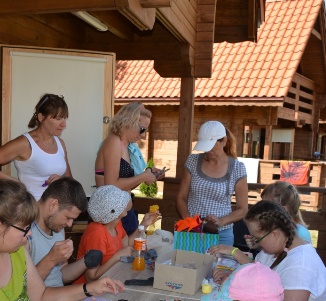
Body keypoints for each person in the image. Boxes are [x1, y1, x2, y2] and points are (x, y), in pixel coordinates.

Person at [0, 93, 72, 200]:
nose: (64, 124)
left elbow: (70, 180)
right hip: (33, 206)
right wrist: (16, 184)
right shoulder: (25, 144)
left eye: (64, 118)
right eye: (58, 119)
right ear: (41, 117)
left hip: (58, 205)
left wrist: (60, 181)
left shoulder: (60, 143)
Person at [94, 102, 164, 234]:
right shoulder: (113, 141)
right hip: (111, 217)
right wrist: (143, 176)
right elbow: (112, 186)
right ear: (128, 122)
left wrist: (146, 175)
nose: (143, 135)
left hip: (124, 214)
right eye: (142, 129)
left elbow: (125, 186)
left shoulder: (126, 146)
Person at [176, 120, 248, 246]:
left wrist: (221, 221)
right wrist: (189, 220)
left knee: (219, 260)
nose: (207, 151)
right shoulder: (193, 161)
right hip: (191, 231)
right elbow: (181, 197)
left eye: (211, 146)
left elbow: (243, 209)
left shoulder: (237, 168)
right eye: (204, 146)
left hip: (222, 235)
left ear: (224, 141)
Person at [73, 185, 158, 284]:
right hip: (89, 289)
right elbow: (91, 278)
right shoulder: (97, 232)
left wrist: (144, 224)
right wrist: (117, 256)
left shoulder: (116, 223)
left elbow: (127, 245)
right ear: (113, 210)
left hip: (111, 279)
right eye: (122, 202)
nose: (127, 202)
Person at [29, 177, 96, 288]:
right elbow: (23, 289)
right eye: (68, 217)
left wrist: (86, 260)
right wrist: (51, 259)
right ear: (53, 205)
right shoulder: (24, 231)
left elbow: (61, 274)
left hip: (59, 295)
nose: (69, 224)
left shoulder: (57, 227)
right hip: (40, 298)